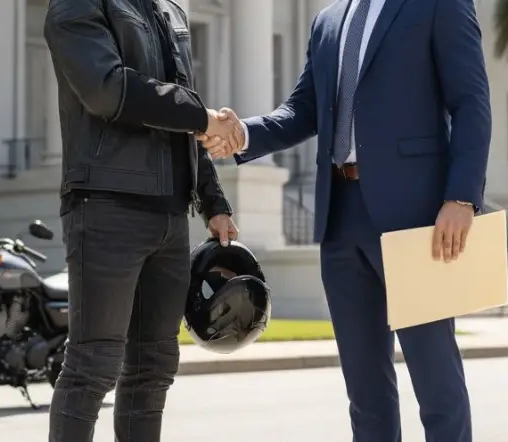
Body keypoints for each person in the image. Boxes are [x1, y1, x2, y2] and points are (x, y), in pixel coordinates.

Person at [201, 0, 491, 440]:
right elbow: (303, 110)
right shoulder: (327, 20)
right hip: (340, 218)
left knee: (436, 385)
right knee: (365, 392)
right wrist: (244, 133)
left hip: (417, 222)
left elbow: (471, 102)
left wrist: (462, 197)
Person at [42, 0, 244, 441]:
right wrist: (202, 116)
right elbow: (107, 89)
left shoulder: (169, 11)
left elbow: (186, 121)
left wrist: (214, 201)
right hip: (106, 207)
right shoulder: (77, 5)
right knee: (92, 366)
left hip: (170, 214)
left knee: (152, 370)